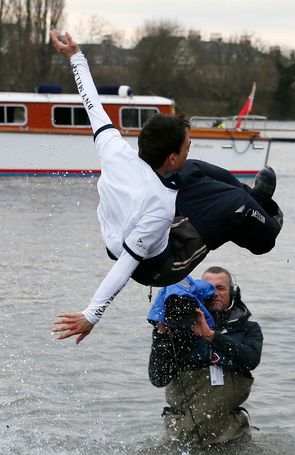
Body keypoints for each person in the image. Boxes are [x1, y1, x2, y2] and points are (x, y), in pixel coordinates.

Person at [50, 31, 282, 344]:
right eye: (186, 146)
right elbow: (125, 267)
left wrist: (76, 57)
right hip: (160, 264)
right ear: (171, 158)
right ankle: (266, 221)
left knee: (198, 169)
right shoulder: (158, 208)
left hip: (138, 225)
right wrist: (92, 315)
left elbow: (92, 104)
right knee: (232, 206)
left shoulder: (115, 149)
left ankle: (253, 197)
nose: (190, 146)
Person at [148, 266, 262, 448]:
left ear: (232, 292)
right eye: (209, 287)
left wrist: (211, 336)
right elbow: (158, 378)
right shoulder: (179, 330)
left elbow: (251, 359)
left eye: (221, 288)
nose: (215, 293)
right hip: (181, 435)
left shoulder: (248, 329)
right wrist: (161, 333)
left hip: (232, 434)